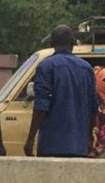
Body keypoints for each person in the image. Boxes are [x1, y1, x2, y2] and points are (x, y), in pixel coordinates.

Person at [24, 25, 98, 157]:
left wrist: (30, 139)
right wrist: (89, 137)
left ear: (51, 43)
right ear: (73, 43)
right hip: (79, 146)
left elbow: (41, 106)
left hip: (51, 145)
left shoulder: (46, 66)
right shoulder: (87, 69)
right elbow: (93, 108)